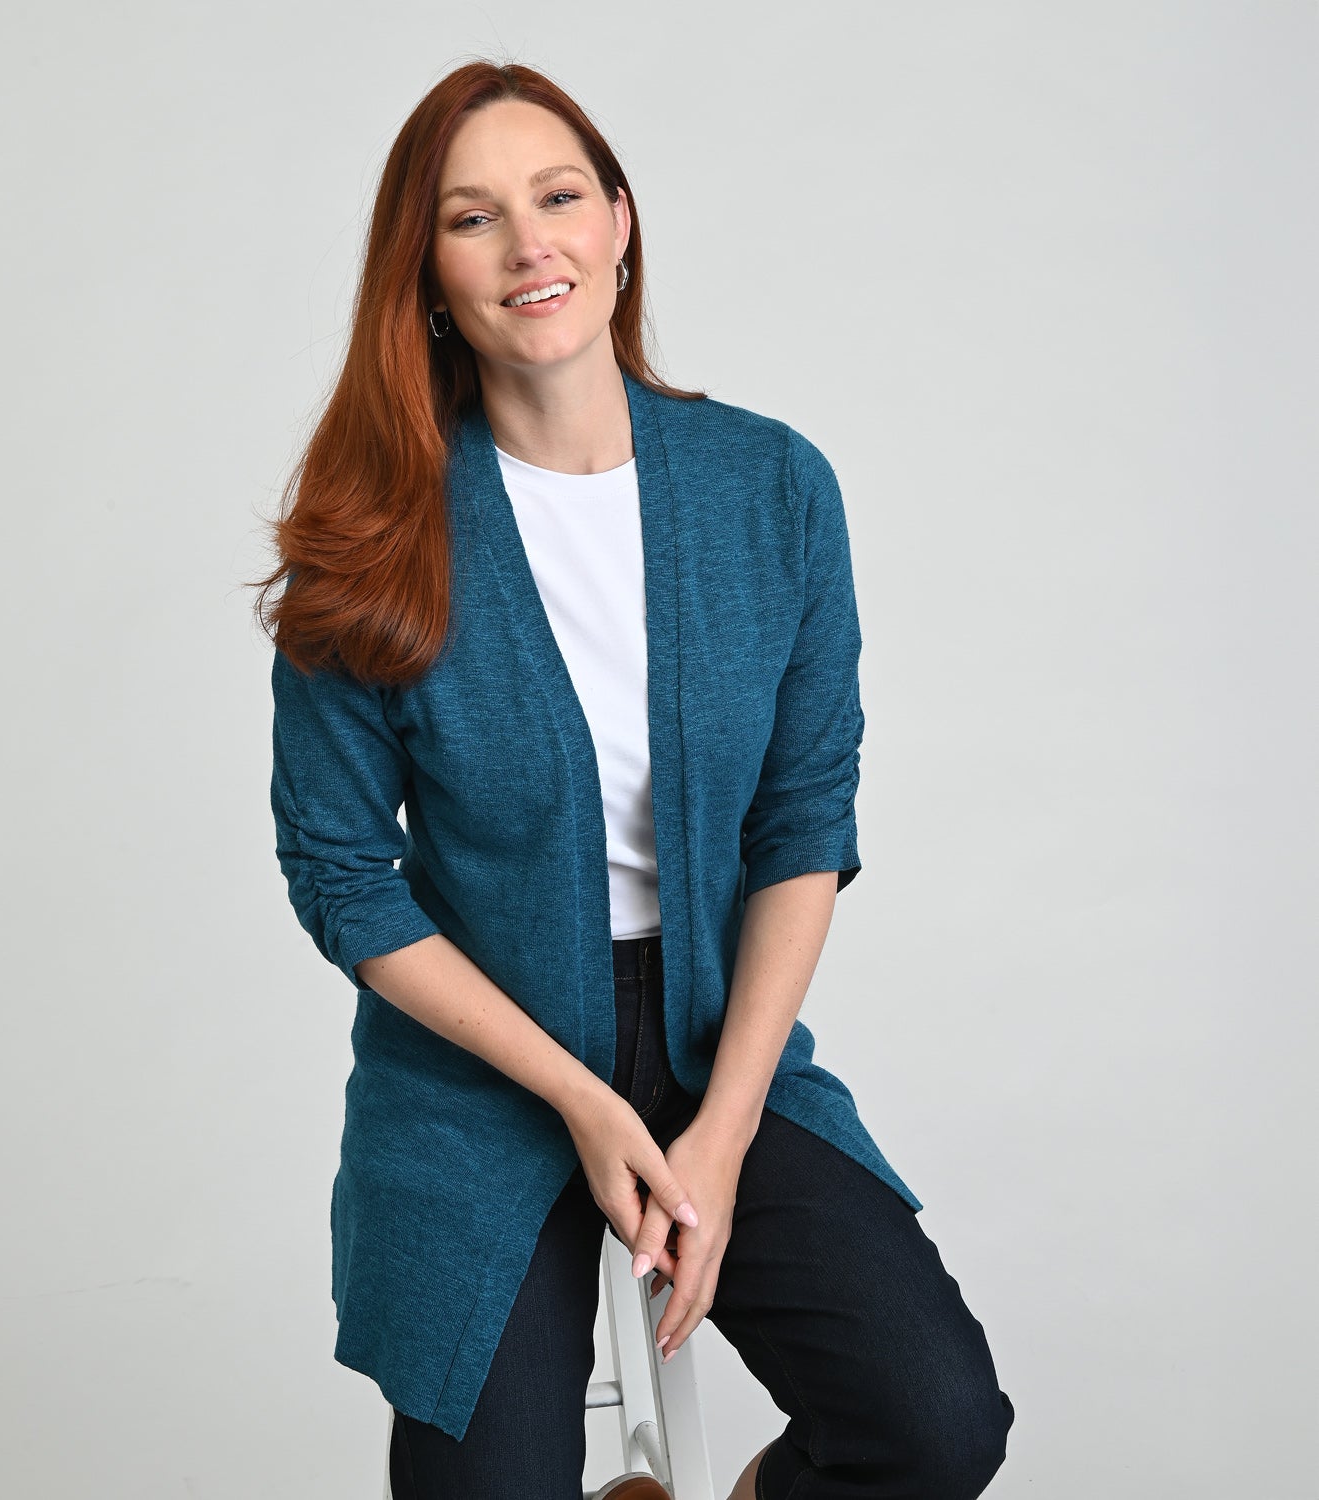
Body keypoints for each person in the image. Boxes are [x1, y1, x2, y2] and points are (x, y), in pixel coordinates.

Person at [253, 59, 1015, 1500]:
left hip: (715, 1036)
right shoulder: (374, 534)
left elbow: (804, 821)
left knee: (934, 1427)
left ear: (618, 221)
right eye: (472, 218)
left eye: (557, 197)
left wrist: (719, 1132)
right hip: (482, 1070)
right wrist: (585, 1100)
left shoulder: (770, 488)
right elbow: (341, 877)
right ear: (428, 277)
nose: (527, 244)